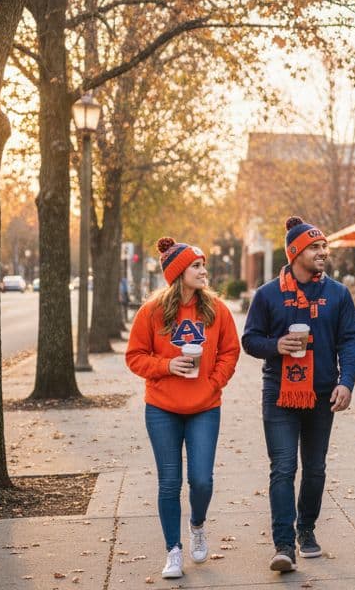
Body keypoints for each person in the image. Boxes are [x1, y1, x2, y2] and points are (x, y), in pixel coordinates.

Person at [242, 216, 355, 574]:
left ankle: (306, 528)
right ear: (295, 253)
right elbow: (249, 340)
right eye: (315, 247)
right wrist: (276, 345)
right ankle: (284, 544)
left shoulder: (337, 294)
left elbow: (349, 340)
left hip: (323, 393)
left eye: (324, 246)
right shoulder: (267, 295)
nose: (322, 252)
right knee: (283, 468)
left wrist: (347, 381)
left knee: (315, 468)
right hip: (279, 393)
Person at [125, 237, 241, 580]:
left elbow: (230, 351)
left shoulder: (216, 309)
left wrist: (213, 382)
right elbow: (134, 356)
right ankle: (173, 551)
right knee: (169, 482)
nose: (204, 271)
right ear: (178, 273)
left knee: (201, 480)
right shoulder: (152, 311)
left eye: (203, 264)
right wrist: (166, 366)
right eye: (196, 265)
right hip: (162, 408)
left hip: (205, 406)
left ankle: (198, 525)